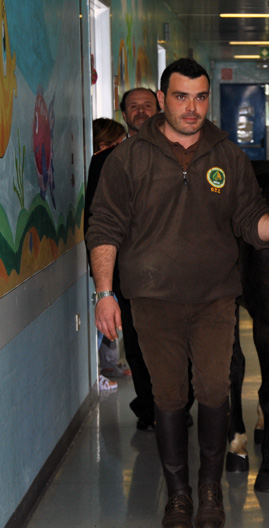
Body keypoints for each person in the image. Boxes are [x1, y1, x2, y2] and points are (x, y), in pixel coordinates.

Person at [86, 58, 269, 528]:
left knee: (215, 390)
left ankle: (210, 490)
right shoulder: (130, 158)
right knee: (170, 395)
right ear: (162, 100)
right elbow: (105, 226)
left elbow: (250, 220)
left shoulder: (228, 156)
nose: (192, 108)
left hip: (215, 297)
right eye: (181, 97)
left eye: (200, 97)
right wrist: (104, 293)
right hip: (153, 298)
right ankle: (179, 495)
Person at [86, 106, 166, 432]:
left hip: (172, 275)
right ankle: (150, 406)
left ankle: (173, 404)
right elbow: (96, 222)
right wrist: (104, 286)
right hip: (127, 273)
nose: (141, 111)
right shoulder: (105, 164)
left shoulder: (174, 158)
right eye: (133, 106)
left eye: (147, 104)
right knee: (134, 339)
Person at [89, 119, 129, 384]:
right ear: (104, 147)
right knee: (108, 314)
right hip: (107, 263)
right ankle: (104, 368)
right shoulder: (100, 171)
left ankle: (110, 364)